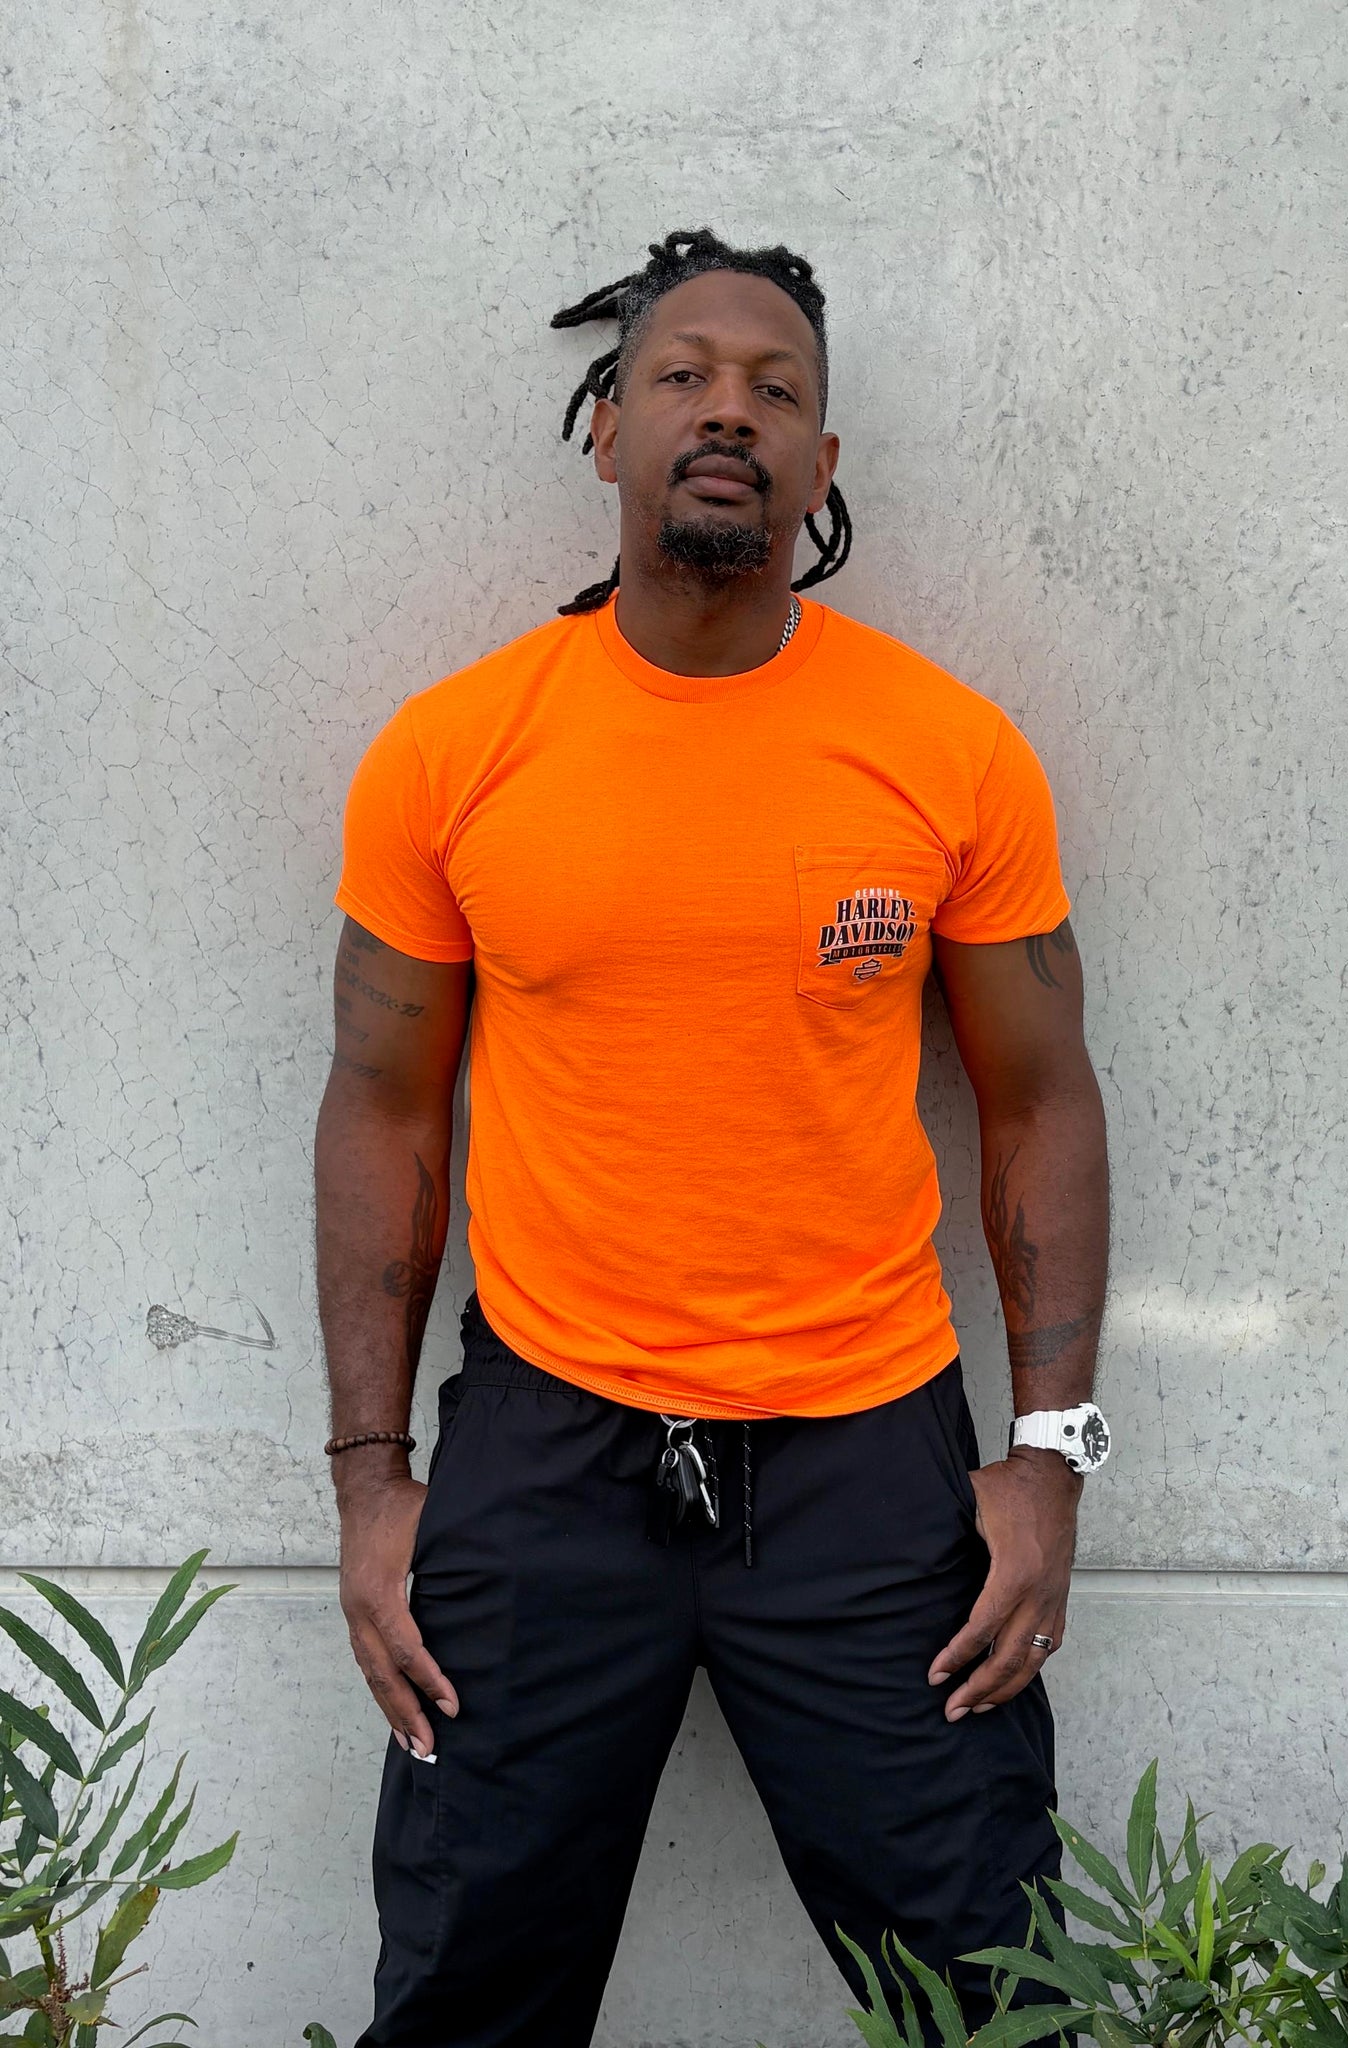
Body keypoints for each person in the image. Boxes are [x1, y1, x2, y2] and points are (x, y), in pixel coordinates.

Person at [314, 227, 1111, 2048]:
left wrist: (1051, 1455)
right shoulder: (453, 752)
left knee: (993, 1998)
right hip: (542, 1452)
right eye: (681, 376)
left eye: (776, 388)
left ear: (824, 460)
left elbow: (1043, 1099)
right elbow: (380, 1109)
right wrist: (369, 1480)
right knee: (465, 1997)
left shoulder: (947, 750)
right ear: (607, 428)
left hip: (867, 1464)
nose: (728, 411)